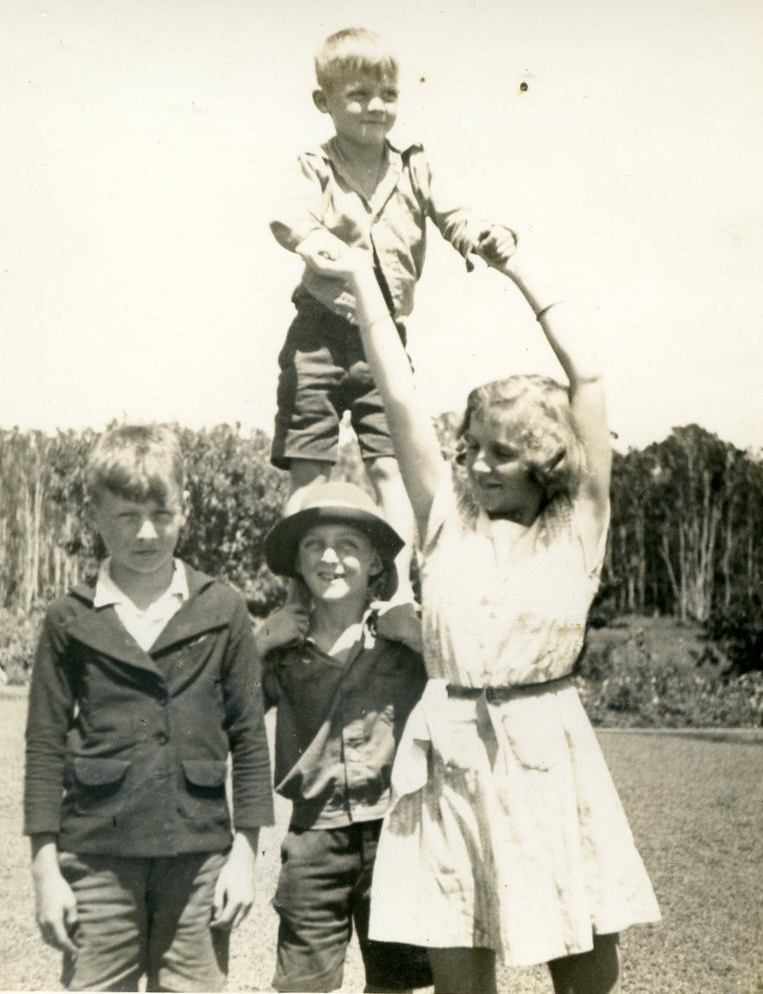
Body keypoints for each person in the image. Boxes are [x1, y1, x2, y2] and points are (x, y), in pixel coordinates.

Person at [312, 250, 661, 994]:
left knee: (582, 960)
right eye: (471, 448)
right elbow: (398, 394)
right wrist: (359, 276)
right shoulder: (446, 518)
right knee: (457, 957)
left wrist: (519, 269)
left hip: (549, 748)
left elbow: (589, 381)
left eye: (501, 453)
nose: (477, 465)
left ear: (545, 456)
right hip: (449, 750)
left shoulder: (578, 526)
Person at [23, 423, 275, 992]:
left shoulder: (223, 608)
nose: (146, 532)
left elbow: (249, 741)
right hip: (97, 855)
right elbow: (43, 747)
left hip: (199, 858)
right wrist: (45, 872)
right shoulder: (70, 618)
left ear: (186, 508)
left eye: (162, 514)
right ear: (95, 515)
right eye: (126, 516)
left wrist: (244, 857)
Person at [269, 26, 517, 600]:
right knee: (310, 466)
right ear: (324, 101)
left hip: (386, 342)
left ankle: (399, 591)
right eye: (358, 95)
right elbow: (288, 217)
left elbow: (456, 214)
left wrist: (485, 235)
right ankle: (298, 598)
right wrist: (316, 242)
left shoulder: (414, 166)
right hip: (320, 333)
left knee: (392, 462)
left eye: (387, 94)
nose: (375, 107)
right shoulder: (315, 166)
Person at [256, 480, 432, 993]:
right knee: (303, 984)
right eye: (314, 544)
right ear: (297, 561)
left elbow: (468, 681)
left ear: (375, 562)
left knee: (395, 982)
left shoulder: (399, 641)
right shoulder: (282, 649)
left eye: (348, 544)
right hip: (313, 839)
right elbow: (223, 711)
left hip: (396, 834)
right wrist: (257, 642)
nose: (329, 557)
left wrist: (418, 635)